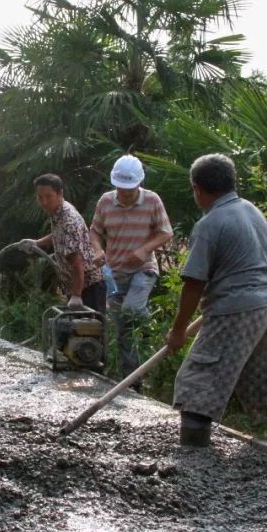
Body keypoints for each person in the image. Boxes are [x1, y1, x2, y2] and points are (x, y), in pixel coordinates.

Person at [165, 153, 267, 452]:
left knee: (198, 381)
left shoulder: (210, 224)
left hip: (237, 310)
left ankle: (194, 460)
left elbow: (194, 284)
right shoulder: (252, 210)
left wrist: (178, 331)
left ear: (197, 189)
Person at [90, 155, 173, 390]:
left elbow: (166, 232)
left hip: (143, 269)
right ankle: (132, 381)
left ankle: (152, 332)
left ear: (139, 183)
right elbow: (94, 231)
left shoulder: (152, 200)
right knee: (124, 329)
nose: (125, 193)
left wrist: (144, 249)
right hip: (114, 273)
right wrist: (98, 251)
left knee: (132, 310)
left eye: (130, 189)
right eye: (121, 188)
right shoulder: (106, 202)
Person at [17, 174, 106, 314]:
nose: (44, 202)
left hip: (89, 287)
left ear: (60, 193)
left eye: (48, 196)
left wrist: (77, 296)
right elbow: (59, 234)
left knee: (88, 331)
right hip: (77, 285)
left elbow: (78, 263)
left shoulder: (69, 219)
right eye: (40, 197)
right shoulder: (58, 212)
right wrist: (37, 243)